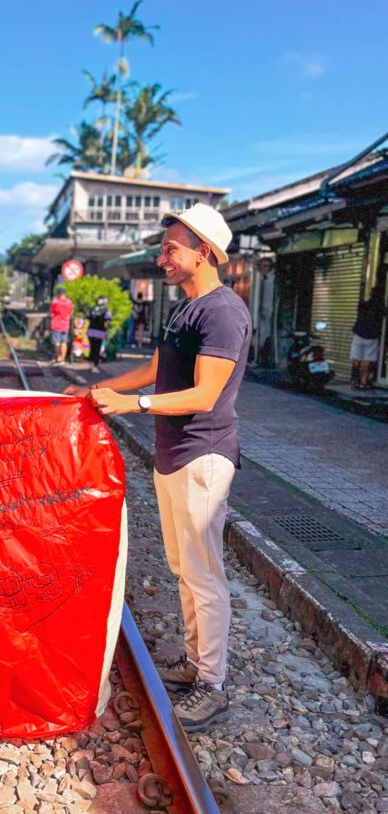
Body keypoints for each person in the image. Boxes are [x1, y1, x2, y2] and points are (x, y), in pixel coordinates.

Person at [66, 204, 252, 732]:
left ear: (205, 253)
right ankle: (194, 663)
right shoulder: (186, 308)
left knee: (203, 572)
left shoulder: (222, 312)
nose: (161, 256)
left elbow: (206, 393)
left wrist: (134, 407)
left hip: (204, 453)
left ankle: (212, 684)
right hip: (174, 453)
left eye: (171, 248)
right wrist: (97, 390)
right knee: (182, 567)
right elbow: (156, 370)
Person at [350, 286, 382, 390]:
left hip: (358, 334)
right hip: (371, 336)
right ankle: (363, 382)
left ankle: (354, 380)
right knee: (367, 359)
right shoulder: (379, 307)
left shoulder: (363, 304)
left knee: (356, 358)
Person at [49, 286, 74, 364]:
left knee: (57, 343)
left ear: (58, 294)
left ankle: (58, 358)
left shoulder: (56, 302)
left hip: (56, 324)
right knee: (64, 342)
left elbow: (51, 312)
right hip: (65, 325)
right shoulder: (70, 302)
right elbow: (71, 312)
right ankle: (63, 359)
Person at [87, 296, 112, 372]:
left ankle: (91, 364)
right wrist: (107, 332)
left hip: (91, 331)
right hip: (100, 332)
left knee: (92, 348)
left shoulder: (92, 309)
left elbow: (88, 317)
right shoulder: (106, 311)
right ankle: (95, 365)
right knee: (97, 349)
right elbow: (108, 321)